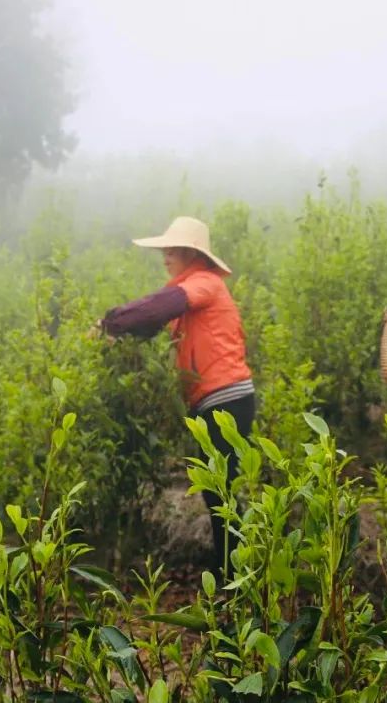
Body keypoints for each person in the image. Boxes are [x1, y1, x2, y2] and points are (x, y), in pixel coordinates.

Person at [100, 216, 255, 579]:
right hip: (214, 401)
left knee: (221, 490)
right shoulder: (193, 292)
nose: (165, 257)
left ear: (190, 253)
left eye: (171, 250)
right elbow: (153, 321)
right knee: (217, 491)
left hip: (226, 399)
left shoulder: (205, 283)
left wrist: (111, 324)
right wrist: (117, 332)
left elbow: (156, 307)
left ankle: (236, 578)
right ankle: (231, 573)